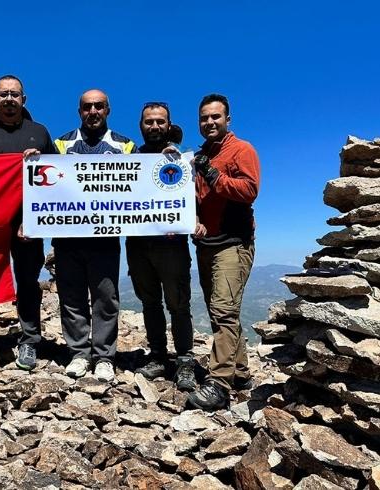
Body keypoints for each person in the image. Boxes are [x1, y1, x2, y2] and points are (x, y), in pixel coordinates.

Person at [0, 74, 56, 372]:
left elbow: (56, 180)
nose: (9, 99)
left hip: (29, 224)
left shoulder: (40, 132)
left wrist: (38, 163)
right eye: (3, 94)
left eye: (14, 94)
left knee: (28, 281)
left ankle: (29, 340)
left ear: (24, 100)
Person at [53, 89, 137, 383]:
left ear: (108, 110)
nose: (93, 111)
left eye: (98, 106)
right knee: (71, 297)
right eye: (87, 107)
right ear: (79, 111)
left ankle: (103, 357)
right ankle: (78, 352)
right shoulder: (61, 143)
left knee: (105, 299)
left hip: (105, 239)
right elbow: (45, 185)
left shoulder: (125, 146)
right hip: (67, 238)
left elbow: (140, 187)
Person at [187, 93, 260, 411]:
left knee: (223, 311)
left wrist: (214, 175)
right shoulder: (198, 155)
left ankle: (218, 385)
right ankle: (241, 374)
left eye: (215, 117)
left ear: (227, 119)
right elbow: (195, 198)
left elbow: (249, 190)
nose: (209, 122)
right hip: (207, 244)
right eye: (204, 118)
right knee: (222, 311)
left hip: (233, 243)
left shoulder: (242, 149)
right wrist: (196, 221)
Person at [127, 102, 203, 391]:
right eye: (149, 122)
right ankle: (158, 355)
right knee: (149, 302)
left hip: (171, 246)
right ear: (141, 126)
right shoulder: (131, 158)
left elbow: (194, 197)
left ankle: (184, 360)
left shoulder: (182, 159)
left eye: (160, 122)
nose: (154, 127)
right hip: (137, 244)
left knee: (178, 304)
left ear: (168, 125)